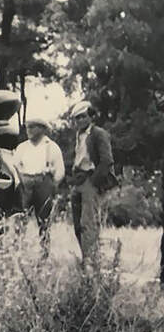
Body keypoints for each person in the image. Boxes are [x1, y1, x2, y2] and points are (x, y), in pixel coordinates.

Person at [68, 100, 117, 268]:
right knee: (77, 223)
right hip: (79, 179)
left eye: (82, 117)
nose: (79, 121)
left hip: (91, 178)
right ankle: (86, 258)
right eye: (76, 118)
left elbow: (107, 160)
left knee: (88, 221)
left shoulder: (98, 133)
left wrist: (95, 182)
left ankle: (91, 261)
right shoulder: (79, 135)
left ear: (90, 116)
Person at [14, 117, 65, 257]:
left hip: (43, 183)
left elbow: (60, 170)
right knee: (20, 219)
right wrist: (21, 182)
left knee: (44, 221)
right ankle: (18, 253)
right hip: (25, 184)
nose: (29, 130)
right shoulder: (22, 147)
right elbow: (15, 166)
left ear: (42, 129)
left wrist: (52, 186)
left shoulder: (51, 146)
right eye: (28, 127)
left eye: (32, 127)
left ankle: (44, 255)